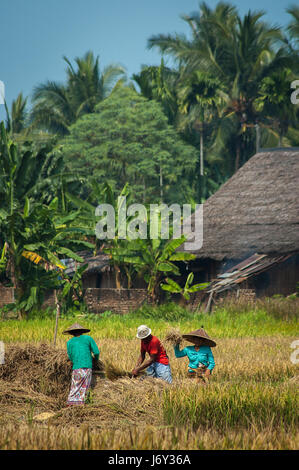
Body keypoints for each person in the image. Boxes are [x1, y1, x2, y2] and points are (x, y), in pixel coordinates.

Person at [63, 322, 100, 405]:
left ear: (72, 333)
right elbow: (96, 352)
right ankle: (81, 405)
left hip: (76, 368)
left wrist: (76, 361)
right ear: (82, 331)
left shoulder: (69, 342)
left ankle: (71, 404)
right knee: (84, 389)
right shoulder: (88, 338)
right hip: (87, 367)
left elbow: (70, 357)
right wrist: (96, 361)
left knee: (74, 388)